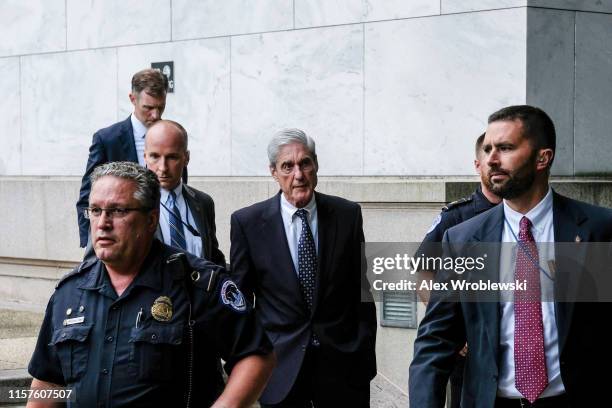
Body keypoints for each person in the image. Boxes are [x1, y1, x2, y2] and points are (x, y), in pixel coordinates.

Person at [409, 105, 612, 408]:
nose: (491, 159)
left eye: (505, 148)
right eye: (488, 148)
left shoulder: (598, 229)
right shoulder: (463, 239)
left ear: (543, 157)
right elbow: (435, 341)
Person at [28, 162, 274, 407]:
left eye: (118, 211)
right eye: (95, 210)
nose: (103, 222)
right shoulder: (70, 293)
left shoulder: (199, 284)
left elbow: (255, 355)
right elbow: (49, 381)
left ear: (151, 219)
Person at [230, 129, 377, 407]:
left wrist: (363, 356)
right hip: (278, 369)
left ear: (316, 166)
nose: (298, 174)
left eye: (305, 163)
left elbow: (361, 291)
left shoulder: (347, 215)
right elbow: (241, 303)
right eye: (288, 166)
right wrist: (247, 362)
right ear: (273, 172)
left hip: (343, 368)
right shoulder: (247, 223)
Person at [415, 133, 502, 408]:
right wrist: (454, 325)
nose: (496, 165)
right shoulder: (455, 217)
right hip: (470, 353)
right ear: (478, 165)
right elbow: (423, 271)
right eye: (488, 159)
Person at [76, 68, 186, 249]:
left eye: (161, 107)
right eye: (149, 108)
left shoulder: (172, 136)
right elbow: (86, 198)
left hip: (167, 242)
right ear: (132, 99)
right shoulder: (107, 139)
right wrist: (92, 245)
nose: (156, 115)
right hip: (122, 243)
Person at [144, 119, 225, 266]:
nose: (163, 167)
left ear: (186, 158)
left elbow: (213, 256)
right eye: (155, 156)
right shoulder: (131, 203)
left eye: (172, 157)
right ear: (145, 157)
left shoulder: (203, 202)